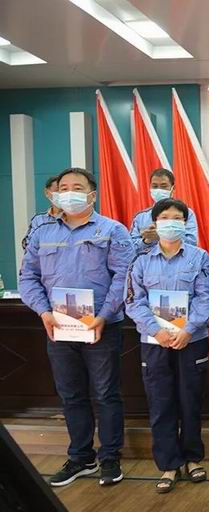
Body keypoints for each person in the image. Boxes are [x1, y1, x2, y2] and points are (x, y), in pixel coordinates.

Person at [19, 167, 134, 487]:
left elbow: (124, 277)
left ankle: (110, 458)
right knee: (71, 394)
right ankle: (82, 457)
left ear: (92, 195)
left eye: (77, 187)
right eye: (64, 187)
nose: (69, 192)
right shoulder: (42, 233)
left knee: (106, 394)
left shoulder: (112, 230)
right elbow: (27, 277)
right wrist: (44, 312)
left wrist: (104, 315)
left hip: (101, 327)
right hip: (58, 327)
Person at [125, 198, 209, 493]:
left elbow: (206, 297)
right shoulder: (141, 261)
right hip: (155, 343)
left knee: (191, 402)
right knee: (161, 404)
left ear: (186, 223)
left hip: (192, 341)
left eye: (177, 217)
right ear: (155, 223)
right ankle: (168, 464)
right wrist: (156, 330)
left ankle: (193, 458)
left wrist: (188, 330)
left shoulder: (200, 258)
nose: (171, 222)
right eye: (165, 217)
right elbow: (133, 301)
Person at [130, 168, 199, 253]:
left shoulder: (186, 213)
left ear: (173, 188)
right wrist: (146, 241)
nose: (159, 190)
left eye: (164, 186)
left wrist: (163, 236)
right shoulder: (140, 217)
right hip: (148, 260)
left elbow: (192, 243)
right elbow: (131, 249)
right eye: (155, 186)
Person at [21, 175, 62, 251]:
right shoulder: (39, 220)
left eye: (64, 190)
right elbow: (27, 244)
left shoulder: (76, 218)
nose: (62, 194)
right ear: (47, 192)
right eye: (57, 190)